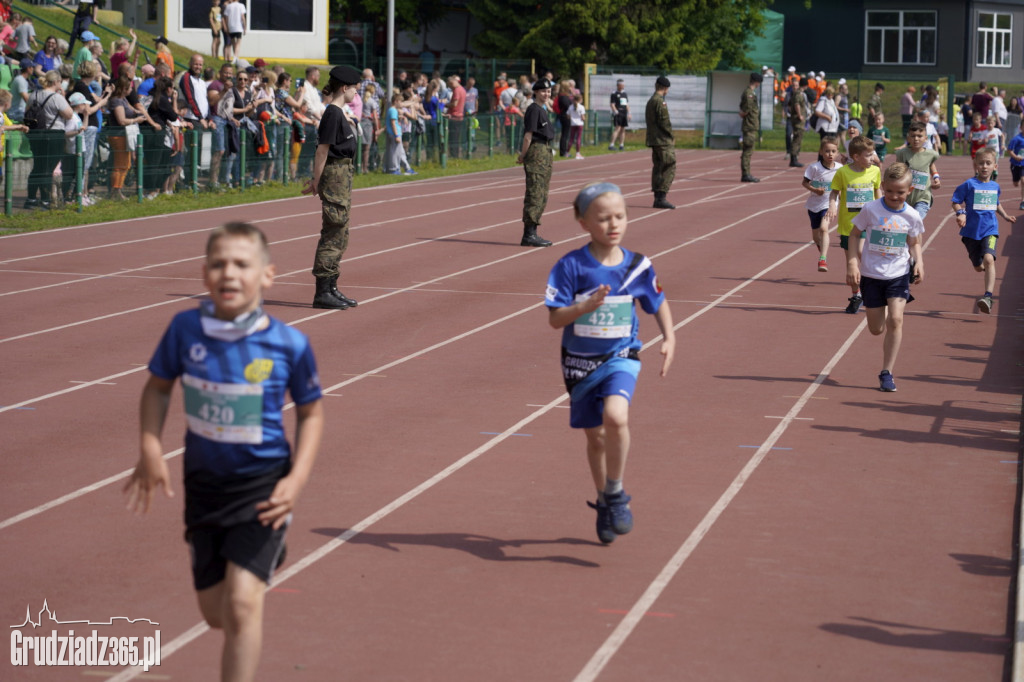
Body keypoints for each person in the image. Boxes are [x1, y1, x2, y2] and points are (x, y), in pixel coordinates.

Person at [125, 222, 324, 682]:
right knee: (216, 614)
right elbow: (156, 390)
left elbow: (312, 414)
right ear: (204, 274)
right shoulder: (185, 329)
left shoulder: (289, 344)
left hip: (263, 486)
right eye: (219, 264)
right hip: (204, 487)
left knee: (241, 605)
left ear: (267, 275)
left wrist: (295, 482)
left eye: (241, 264)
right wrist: (150, 447)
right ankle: (262, 561)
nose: (229, 274)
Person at [544, 182, 675, 544]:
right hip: (580, 363)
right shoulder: (570, 266)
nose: (613, 224)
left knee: (616, 417)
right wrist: (582, 308)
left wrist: (669, 337)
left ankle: (615, 493)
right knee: (596, 438)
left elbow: (657, 301)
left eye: (620, 216)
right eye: (603, 218)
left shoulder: (636, 266)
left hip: (621, 356)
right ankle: (603, 500)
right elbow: (555, 320)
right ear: (583, 222)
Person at [845, 162, 924, 392]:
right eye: (889, 191)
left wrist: (919, 261)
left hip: (898, 275)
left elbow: (915, 242)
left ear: (909, 191)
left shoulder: (912, 215)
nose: (894, 196)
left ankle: (886, 372)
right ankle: (888, 308)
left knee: (896, 320)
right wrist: (852, 262)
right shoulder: (871, 209)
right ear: (882, 187)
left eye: (900, 192)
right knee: (876, 329)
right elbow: (854, 234)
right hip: (871, 275)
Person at [302, 65, 362, 310]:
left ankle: (332, 287)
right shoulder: (333, 114)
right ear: (345, 88)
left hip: (342, 175)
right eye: (355, 90)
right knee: (334, 230)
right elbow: (322, 150)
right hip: (335, 176)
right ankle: (322, 292)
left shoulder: (338, 113)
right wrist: (317, 181)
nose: (356, 94)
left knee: (340, 232)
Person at [951, 148, 1016, 315]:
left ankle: (987, 296)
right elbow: (956, 201)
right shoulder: (968, 185)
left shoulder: (995, 186)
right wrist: (960, 213)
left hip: (990, 230)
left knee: (989, 259)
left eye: (988, 163)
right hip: (971, 233)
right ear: (975, 165)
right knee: (979, 267)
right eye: (981, 163)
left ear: (995, 166)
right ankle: (987, 270)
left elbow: (996, 203)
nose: (984, 166)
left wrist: (1005, 215)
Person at [826, 135, 882, 314]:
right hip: (848, 225)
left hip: (869, 224)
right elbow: (834, 193)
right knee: (851, 265)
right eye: (868, 155)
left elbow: (877, 191)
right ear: (856, 156)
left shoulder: (875, 171)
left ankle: (875, 287)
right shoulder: (843, 173)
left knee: (862, 254)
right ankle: (856, 294)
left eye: (873, 154)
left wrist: (883, 211)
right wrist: (833, 204)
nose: (872, 158)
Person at [24, 70, 73, 210]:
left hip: (36, 133)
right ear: (56, 82)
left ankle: (31, 198)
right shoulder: (56, 97)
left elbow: (27, 111)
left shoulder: (34, 95)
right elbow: (69, 114)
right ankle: (45, 200)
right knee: (48, 167)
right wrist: (63, 97)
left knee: (38, 166)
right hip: (53, 134)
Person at [517, 77, 555, 248]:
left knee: (542, 193)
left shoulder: (542, 109)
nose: (546, 94)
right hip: (537, 151)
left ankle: (533, 232)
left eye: (548, 91)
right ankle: (529, 234)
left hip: (544, 151)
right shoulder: (534, 110)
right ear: (536, 92)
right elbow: (528, 135)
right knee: (535, 192)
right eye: (543, 91)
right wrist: (523, 155)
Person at [803, 134, 842, 273]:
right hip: (814, 205)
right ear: (821, 152)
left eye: (833, 151)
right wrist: (814, 189)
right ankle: (821, 248)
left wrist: (840, 202)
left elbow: (841, 187)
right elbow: (804, 183)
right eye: (827, 151)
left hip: (829, 204)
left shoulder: (840, 169)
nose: (830, 154)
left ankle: (823, 259)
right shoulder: (814, 168)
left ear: (837, 152)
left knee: (824, 228)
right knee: (815, 236)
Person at [894, 121, 941, 227]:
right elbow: (896, 170)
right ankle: (913, 243)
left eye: (919, 136)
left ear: (926, 138)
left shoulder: (931, 154)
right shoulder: (902, 154)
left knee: (916, 220)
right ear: (908, 138)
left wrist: (936, 178)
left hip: (923, 197)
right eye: (913, 136)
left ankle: (915, 243)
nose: (916, 139)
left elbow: (931, 165)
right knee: (905, 224)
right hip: (905, 196)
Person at [645, 75, 675, 209]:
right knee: (669, 166)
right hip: (663, 140)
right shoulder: (660, 102)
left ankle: (657, 196)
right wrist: (671, 135)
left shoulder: (651, 100)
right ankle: (661, 196)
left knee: (658, 167)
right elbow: (664, 122)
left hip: (654, 139)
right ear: (665, 88)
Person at [739, 72, 762, 182]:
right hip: (749, 126)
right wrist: (743, 114)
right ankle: (745, 174)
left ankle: (746, 173)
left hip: (751, 125)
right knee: (747, 151)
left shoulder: (751, 92)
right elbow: (746, 109)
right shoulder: (749, 93)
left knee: (748, 150)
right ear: (756, 82)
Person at [786, 76, 807, 169]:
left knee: (797, 138)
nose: (795, 86)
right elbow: (796, 104)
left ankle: (794, 158)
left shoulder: (795, 94)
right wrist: (799, 115)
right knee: (797, 138)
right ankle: (793, 159)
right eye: (794, 85)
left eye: (796, 85)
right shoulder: (798, 94)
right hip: (798, 120)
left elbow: (790, 104)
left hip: (796, 119)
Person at [1006, 124, 1024, 210]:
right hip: (1015, 164)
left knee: (1023, 181)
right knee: (1016, 183)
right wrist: (1016, 157)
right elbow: (1009, 150)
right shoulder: (1016, 139)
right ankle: (1015, 180)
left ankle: (1023, 201)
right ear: (1021, 127)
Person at [609, 79, 629, 151]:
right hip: (618, 113)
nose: (623, 86)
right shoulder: (614, 93)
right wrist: (616, 111)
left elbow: (626, 104)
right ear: (618, 85)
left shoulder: (625, 93)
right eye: (621, 84)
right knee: (617, 128)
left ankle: (621, 145)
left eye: (623, 84)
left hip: (624, 113)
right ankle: (611, 144)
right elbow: (612, 104)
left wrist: (628, 113)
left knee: (623, 129)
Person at [568, 92, 585, 159]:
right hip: (579, 124)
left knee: (571, 138)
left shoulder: (570, 107)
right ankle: (577, 153)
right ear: (580, 99)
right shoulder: (581, 107)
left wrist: (572, 118)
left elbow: (568, 115)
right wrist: (584, 119)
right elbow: (583, 117)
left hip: (573, 124)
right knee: (578, 138)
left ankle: (567, 152)